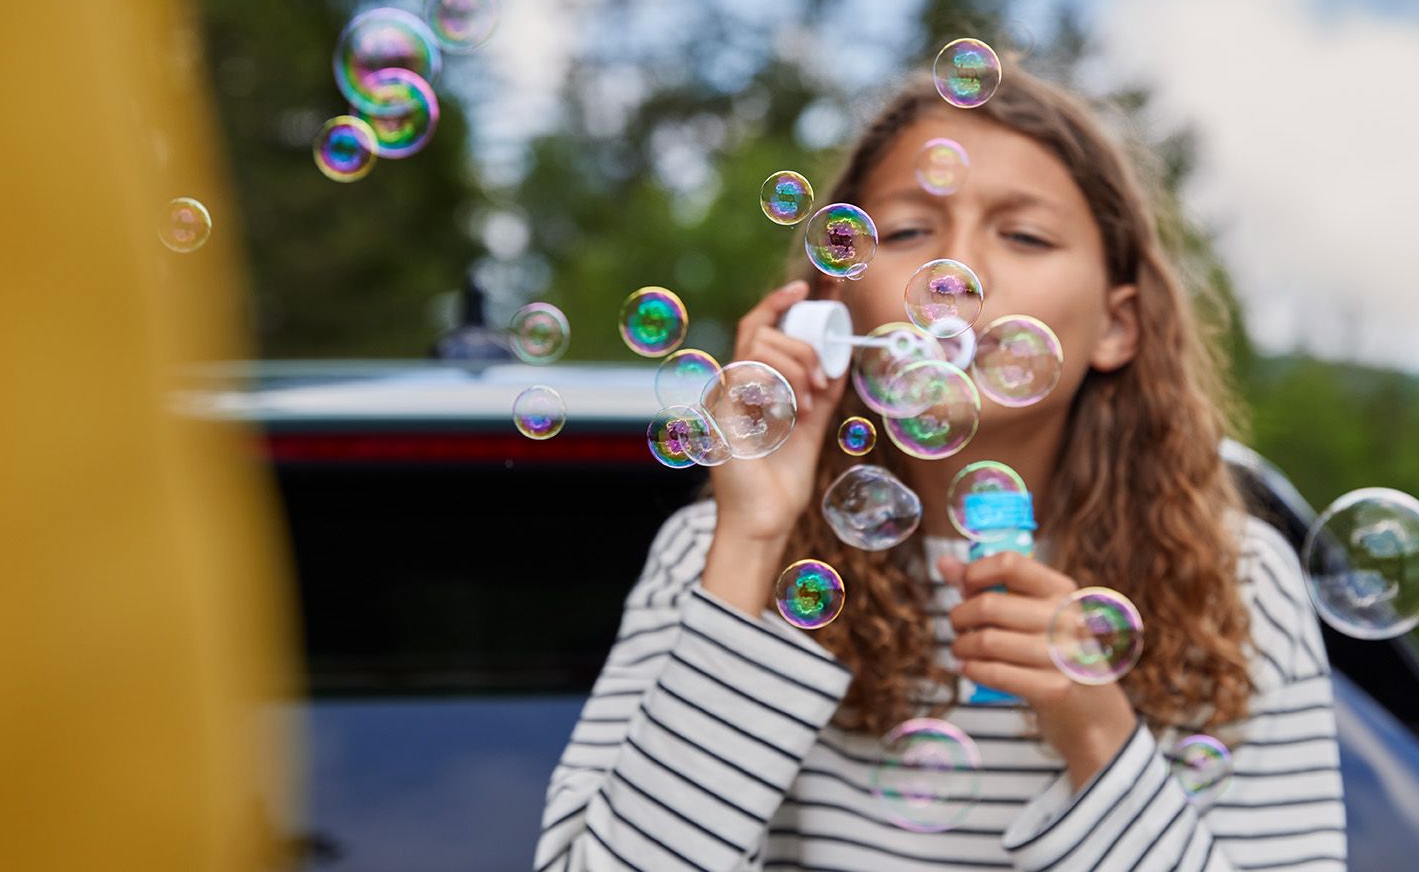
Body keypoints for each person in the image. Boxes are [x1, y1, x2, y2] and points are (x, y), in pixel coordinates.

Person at [534, 68, 1346, 871]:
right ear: (836, 303)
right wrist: (752, 535)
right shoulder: (716, 558)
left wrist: (1098, 735)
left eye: (1024, 236)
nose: (957, 282)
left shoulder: (1237, 585)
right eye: (909, 234)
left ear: (1117, 325)